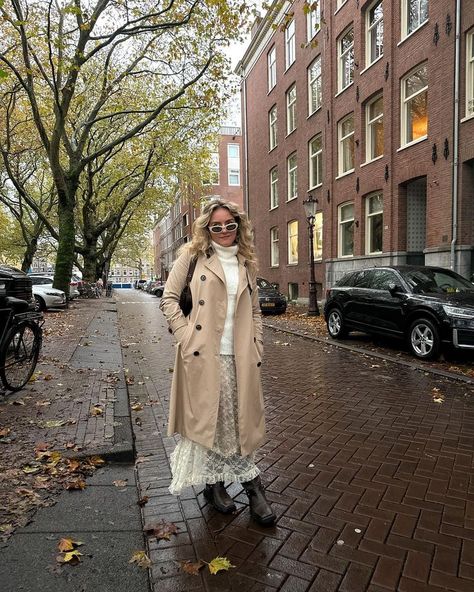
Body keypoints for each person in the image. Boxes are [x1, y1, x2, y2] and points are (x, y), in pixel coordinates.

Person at [159, 199, 275, 526]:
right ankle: (220, 485)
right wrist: (186, 337)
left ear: (239, 225)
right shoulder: (192, 257)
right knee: (213, 421)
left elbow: (254, 311)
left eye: (230, 225)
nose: (224, 231)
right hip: (203, 356)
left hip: (241, 357)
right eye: (216, 226)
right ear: (207, 229)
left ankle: (249, 487)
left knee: (239, 423)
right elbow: (169, 299)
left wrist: (257, 345)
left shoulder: (246, 261)